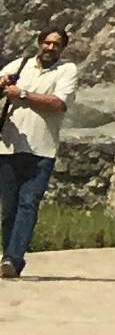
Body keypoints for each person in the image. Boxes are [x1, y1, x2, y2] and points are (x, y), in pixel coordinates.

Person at [3, 25, 77, 277]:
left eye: (56, 44)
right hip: (9, 146)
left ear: (62, 48)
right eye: (47, 42)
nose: (50, 47)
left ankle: (13, 259)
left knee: (28, 203)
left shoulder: (67, 70)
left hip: (42, 150)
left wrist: (22, 94)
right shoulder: (19, 66)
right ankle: (8, 257)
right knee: (9, 207)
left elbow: (57, 103)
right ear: (39, 43)